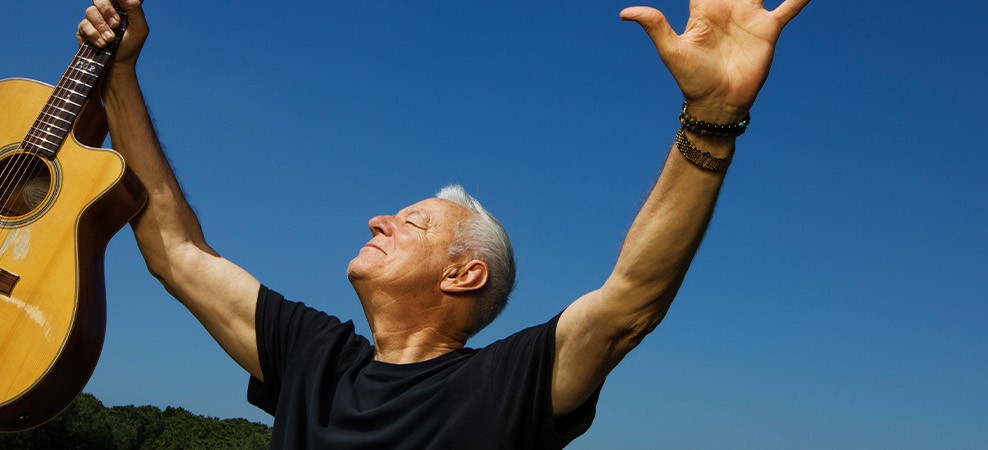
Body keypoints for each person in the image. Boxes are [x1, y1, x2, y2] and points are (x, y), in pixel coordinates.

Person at [77, 0, 809, 447]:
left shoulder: (507, 385)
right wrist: (120, 79)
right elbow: (172, 248)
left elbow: (631, 301)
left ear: (465, 273)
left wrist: (711, 121)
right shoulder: (312, 357)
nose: (379, 218)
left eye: (414, 222)